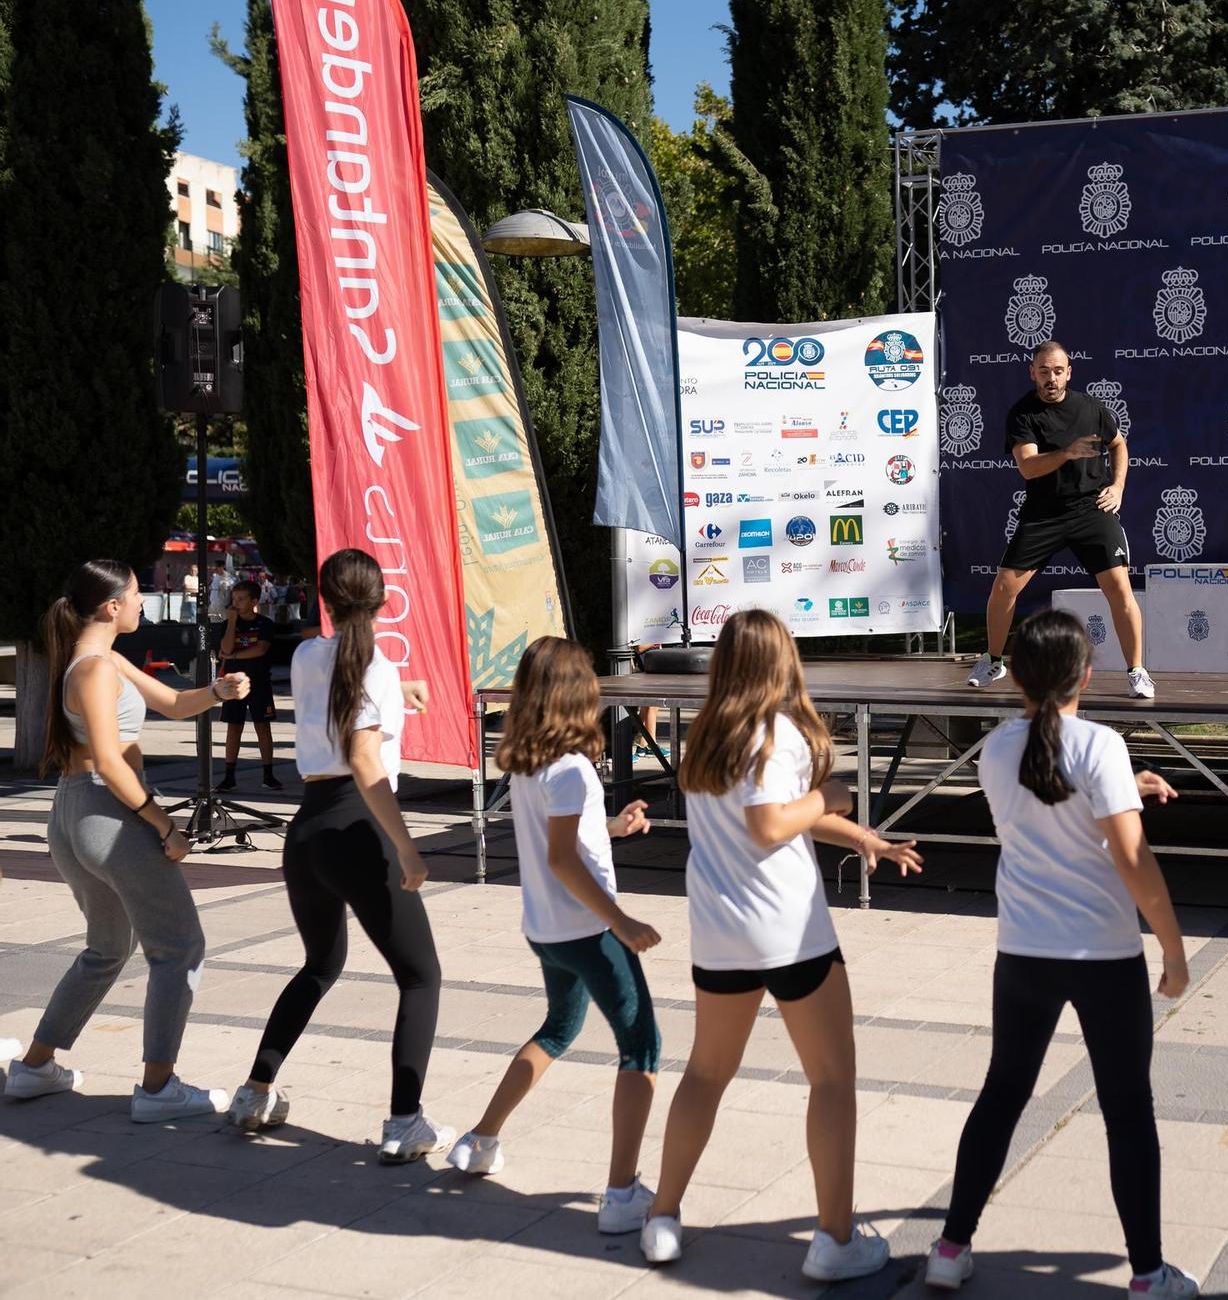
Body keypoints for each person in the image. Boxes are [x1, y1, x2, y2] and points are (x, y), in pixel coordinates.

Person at [641, 609, 922, 1278]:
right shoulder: (778, 733)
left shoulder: (708, 735)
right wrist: (836, 793)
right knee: (832, 1078)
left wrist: (861, 838)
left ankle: (662, 1216)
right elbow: (771, 823)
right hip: (789, 930)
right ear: (780, 661)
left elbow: (763, 820)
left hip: (720, 933)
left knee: (706, 1073)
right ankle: (834, 1239)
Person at [926, 609, 1197, 1295]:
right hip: (1104, 954)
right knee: (1127, 1106)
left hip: (1022, 953)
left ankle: (950, 1247)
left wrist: (1123, 789)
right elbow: (1132, 858)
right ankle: (1146, 1273)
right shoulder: (1099, 745)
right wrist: (1174, 947)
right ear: (1088, 674)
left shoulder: (995, 750)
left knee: (1002, 1093)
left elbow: (1045, 795)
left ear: (1013, 674)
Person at [225, 548, 454, 1164]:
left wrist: (395, 690)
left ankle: (254, 1092)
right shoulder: (372, 665)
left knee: (320, 965)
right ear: (383, 602)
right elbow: (362, 756)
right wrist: (407, 846)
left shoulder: (306, 656)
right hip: (359, 828)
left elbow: (337, 692)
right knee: (421, 976)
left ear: (321, 600)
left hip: (308, 832)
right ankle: (405, 1121)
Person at [4, 559, 251, 1121]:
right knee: (179, 947)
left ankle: (35, 1067)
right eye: (138, 594)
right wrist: (165, 825)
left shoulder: (102, 660)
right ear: (112, 606)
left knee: (108, 949)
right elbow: (113, 766)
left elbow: (171, 703)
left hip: (76, 815)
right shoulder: (92, 668)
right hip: (105, 814)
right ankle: (159, 1089)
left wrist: (217, 690)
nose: (144, 602)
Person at [445, 637, 664, 1236]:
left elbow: (567, 844)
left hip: (547, 930)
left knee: (558, 1030)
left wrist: (613, 826)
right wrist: (621, 922)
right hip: (589, 932)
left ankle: (481, 1139)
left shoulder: (531, 763)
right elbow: (564, 859)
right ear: (576, 695)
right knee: (642, 1046)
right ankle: (622, 1194)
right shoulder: (569, 769)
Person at [968, 340, 1153, 699]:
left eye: (1057, 370)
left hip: (1091, 509)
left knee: (1119, 587)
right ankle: (992, 659)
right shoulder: (1022, 414)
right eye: (1043, 371)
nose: (1050, 377)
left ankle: (1137, 671)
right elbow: (1028, 466)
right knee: (1005, 586)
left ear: (1069, 372)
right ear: (1032, 373)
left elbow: (1118, 444)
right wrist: (1067, 452)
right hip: (1044, 512)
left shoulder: (1091, 408)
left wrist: (1117, 486)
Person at [218, 578, 281, 791]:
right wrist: (233, 623)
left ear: (254, 601)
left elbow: (260, 649)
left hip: (259, 682)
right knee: (233, 727)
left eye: (241, 599)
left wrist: (235, 655)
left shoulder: (265, 624)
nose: (236, 602)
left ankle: (268, 774)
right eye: (234, 598)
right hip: (233, 683)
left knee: (262, 726)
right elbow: (225, 649)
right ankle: (229, 775)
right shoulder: (229, 623)